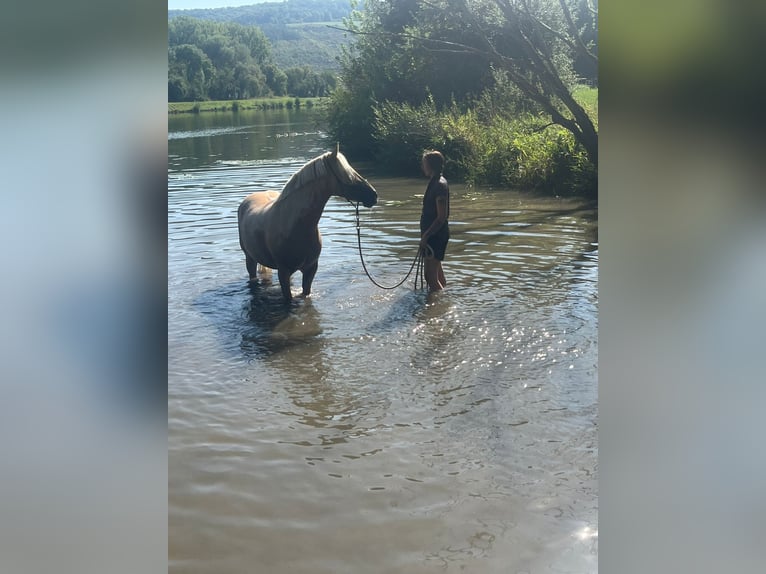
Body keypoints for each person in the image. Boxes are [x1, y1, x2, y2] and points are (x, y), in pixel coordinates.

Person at [419, 150, 450, 291]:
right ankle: (443, 298)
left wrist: (426, 236)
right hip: (433, 234)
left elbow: (441, 217)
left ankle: (439, 307)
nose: (422, 166)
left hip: (436, 235)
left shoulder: (439, 185)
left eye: (424, 163)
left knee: (430, 277)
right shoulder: (435, 182)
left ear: (430, 165)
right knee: (437, 273)